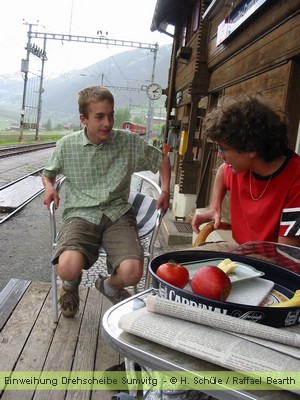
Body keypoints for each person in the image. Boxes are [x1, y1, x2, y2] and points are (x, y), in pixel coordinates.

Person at [42, 86, 171, 317]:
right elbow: (48, 172)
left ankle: (109, 286)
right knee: (67, 267)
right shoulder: (66, 145)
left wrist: (166, 191)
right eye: (99, 116)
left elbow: (162, 159)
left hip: (118, 214)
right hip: (80, 213)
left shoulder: (128, 142)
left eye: (111, 115)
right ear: (84, 119)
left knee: (132, 273)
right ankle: (70, 285)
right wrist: (49, 187)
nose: (108, 123)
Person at [192, 94, 300, 248]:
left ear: (251, 148)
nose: (219, 155)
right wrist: (214, 207)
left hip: (275, 260)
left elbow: (286, 255)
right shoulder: (242, 167)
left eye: (223, 148)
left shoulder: (296, 180)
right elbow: (223, 172)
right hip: (243, 250)